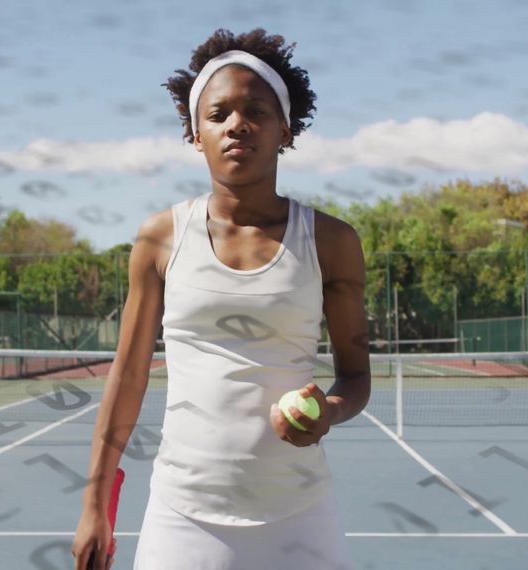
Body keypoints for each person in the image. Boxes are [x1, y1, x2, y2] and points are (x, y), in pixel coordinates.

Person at [72, 28, 370, 570]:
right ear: (193, 133)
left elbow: (356, 377)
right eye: (219, 114)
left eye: (256, 110)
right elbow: (128, 376)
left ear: (286, 128)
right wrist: (97, 503)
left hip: (300, 513)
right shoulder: (159, 238)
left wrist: (329, 410)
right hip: (183, 513)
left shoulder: (332, 241)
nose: (238, 124)